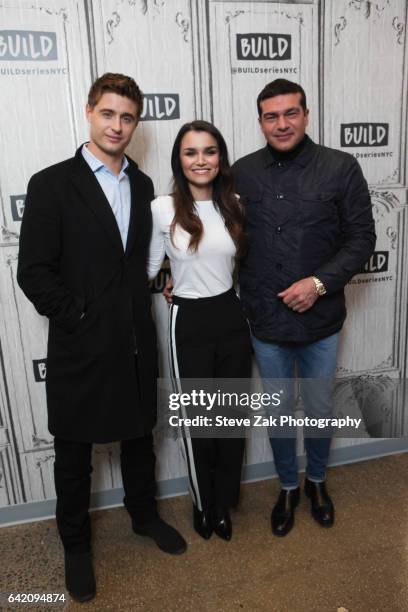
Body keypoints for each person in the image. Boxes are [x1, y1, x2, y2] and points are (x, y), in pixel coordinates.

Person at [17, 73, 186, 603]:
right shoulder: (51, 183)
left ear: (136, 122)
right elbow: (34, 272)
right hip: (80, 343)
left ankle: (143, 516)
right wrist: (80, 320)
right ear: (90, 112)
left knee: (140, 438)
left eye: (128, 117)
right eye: (108, 114)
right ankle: (75, 544)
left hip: (135, 339)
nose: (117, 126)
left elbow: (138, 264)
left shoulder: (141, 185)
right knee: (73, 453)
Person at [232, 79, 376, 536]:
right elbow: (216, 237)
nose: (282, 123)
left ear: (306, 115)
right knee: (276, 413)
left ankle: (317, 481)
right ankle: (288, 487)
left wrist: (318, 283)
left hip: (321, 321)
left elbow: (362, 239)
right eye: (271, 116)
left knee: (316, 407)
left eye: (290, 113)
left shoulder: (341, 167)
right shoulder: (240, 172)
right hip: (265, 321)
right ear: (260, 123)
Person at [147, 120, 252, 542]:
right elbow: (149, 269)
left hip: (230, 316)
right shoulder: (162, 208)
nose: (200, 160)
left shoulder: (235, 205)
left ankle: (224, 503)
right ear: (179, 160)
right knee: (199, 420)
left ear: (220, 158)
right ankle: (203, 502)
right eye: (191, 152)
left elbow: (236, 267)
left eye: (209, 151)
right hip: (188, 320)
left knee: (229, 417)